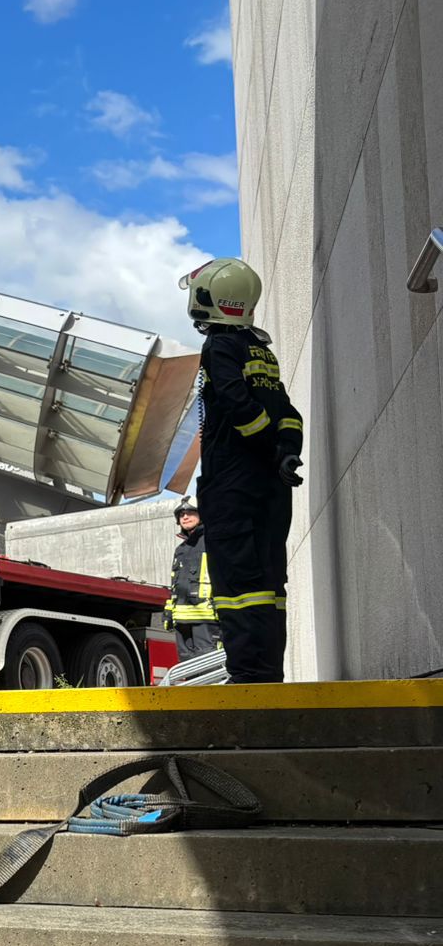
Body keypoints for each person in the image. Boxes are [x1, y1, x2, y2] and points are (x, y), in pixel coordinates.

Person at [179, 259, 303, 683]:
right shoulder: (261, 351)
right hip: (272, 485)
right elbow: (288, 412)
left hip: (234, 483)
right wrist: (285, 452)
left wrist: (264, 444)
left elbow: (234, 405)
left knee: (237, 584)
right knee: (270, 583)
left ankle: (248, 674)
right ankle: (267, 672)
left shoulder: (219, 347)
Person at [164, 499, 218, 660]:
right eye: (181, 514)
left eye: (190, 512)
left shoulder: (212, 541)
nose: (185, 516)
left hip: (207, 617)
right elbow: (175, 584)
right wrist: (169, 612)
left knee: (207, 665)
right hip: (181, 619)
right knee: (186, 666)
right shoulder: (180, 549)